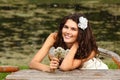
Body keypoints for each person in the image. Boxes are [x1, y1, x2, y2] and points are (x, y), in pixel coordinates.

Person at [29, 13, 108, 72]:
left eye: (73, 29)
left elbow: (64, 67)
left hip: (95, 73)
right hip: (72, 75)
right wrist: (49, 68)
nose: (67, 32)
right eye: (66, 27)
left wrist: (76, 45)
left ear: (81, 33)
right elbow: (33, 63)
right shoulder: (54, 37)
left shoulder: (91, 50)